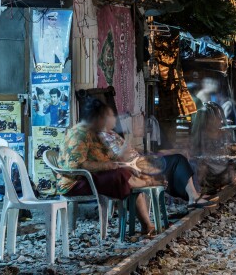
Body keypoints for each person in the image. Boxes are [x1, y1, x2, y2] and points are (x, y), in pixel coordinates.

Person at [56, 97, 156, 235]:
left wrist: (123, 162)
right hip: (74, 182)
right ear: (96, 118)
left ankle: (147, 225)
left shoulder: (94, 133)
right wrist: (108, 166)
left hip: (90, 177)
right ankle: (146, 183)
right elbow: (76, 165)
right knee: (121, 176)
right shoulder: (79, 134)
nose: (108, 121)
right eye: (105, 117)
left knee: (125, 173)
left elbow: (109, 157)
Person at [97, 104, 213, 208]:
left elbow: (130, 150)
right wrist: (129, 140)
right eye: (111, 116)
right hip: (136, 166)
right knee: (178, 160)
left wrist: (151, 153)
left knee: (179, 159)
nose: (114, 119)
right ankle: (193, 197)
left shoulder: (112, 134)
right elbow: (118, 157)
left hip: (142, 161)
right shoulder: (102, 137)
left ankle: (193, 195)